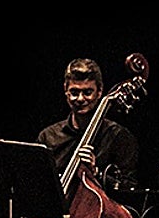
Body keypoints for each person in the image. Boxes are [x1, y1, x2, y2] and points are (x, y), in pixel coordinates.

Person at [36, 57, 139, 189]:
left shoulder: (119, 137)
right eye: (74, 92)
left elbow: (130, 188)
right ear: (65, 90)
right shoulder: (48, 138)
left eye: (87, 92)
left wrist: (96, 173)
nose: (80, 99)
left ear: (99, 91)